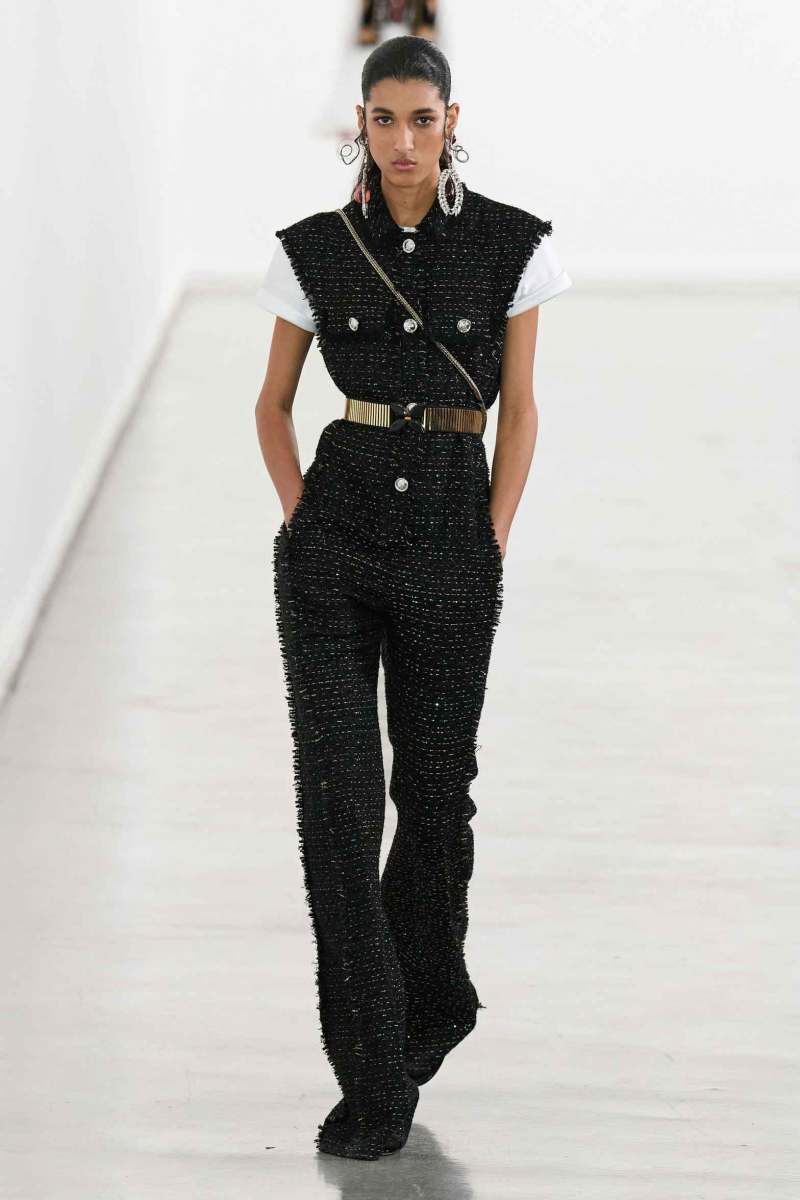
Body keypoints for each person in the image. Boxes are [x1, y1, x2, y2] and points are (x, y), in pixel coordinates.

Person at [254, 34, 571, 1161]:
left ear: (450, 122)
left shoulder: (512, 246)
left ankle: (431, 1000)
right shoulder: (312, 249)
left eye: (420, 120)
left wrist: (489, 536)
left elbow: (520, 409)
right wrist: (301, 518)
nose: (401, 141)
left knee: (435, 803)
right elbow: (270, 405)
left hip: (449, 539)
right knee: (336, 813)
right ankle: (373, 1076)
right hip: (332, 552)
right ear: (360, 122)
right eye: (382, 119)